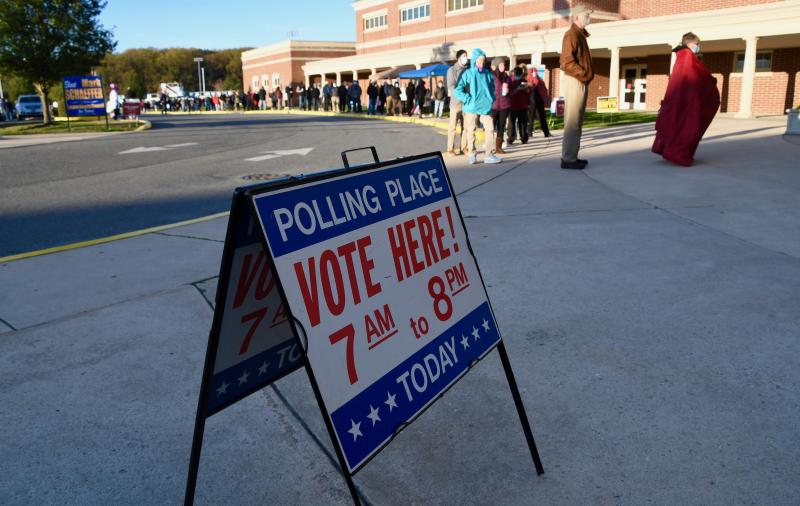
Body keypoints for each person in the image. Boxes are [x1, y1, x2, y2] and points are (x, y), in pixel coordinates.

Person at [652, 32, 720, 167]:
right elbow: (695, 76)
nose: (698, 47)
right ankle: (678, 153)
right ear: (690, 43)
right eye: (697, 44)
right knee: (688, 125)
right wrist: (710, 81)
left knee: (675, 122)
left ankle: (667, 149)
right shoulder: (687, 56)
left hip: (680, 97)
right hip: (688, 98)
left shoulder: (681, 56)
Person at [559, 5, 594, 169]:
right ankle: (568, 159)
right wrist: (584, 74)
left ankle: (572, 156)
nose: (589, 17)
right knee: (572, 120)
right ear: (577, 17)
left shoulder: (579, 35)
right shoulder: (571, 35)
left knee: (577, 120)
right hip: (575, 80)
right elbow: (566, 62)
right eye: (587, 15)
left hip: (579, 80)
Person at [454, 48, 501, 165]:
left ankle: (489, 155)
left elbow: (492, 88)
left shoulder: (488, 74)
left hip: (485, 106)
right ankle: (472, 153)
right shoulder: (467, 73)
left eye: (483, 61)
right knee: (471, 130)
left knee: (490, 129)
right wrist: (467, 98)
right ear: (474, 60)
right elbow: (457, 90)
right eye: (479, 61)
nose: (481, 63)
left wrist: (492, 98)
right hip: (471, 107)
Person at [446, 49, 470, 156]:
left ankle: (463, 147)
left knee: (465, 127)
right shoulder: (451, 70)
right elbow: (451, 86)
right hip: (455, 104)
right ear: (459, 58)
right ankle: (450, 149)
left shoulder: (468, 69)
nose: (466, 58)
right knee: (452, 127)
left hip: (466, 104)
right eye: (464, 56)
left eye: (466, 56)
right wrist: (462, 95)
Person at [490, 57, 512, 154]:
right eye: (501, 64)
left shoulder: (506, 77)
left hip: (504, 106)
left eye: (504, 64)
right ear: (497, 66)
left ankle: (498, 147)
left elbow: (512, 89)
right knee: (491, 127)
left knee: (501, 126)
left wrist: (509, 90)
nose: (503, 66)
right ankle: (489, 147)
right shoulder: (491, 76)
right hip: (493, 106)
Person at [507, 67, 531, 144]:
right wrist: (517, 89)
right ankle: (511, 138)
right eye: (516, 74)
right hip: (512, 105)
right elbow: (508, 92)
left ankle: (523, 138)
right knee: (512, 123)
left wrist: (526, 89)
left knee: (522, 123)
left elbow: (528, 93)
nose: (517, 76)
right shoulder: (510, 81)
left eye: (518, 74)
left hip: (522, 105)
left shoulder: (524, 81)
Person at [527, 67, 552, 138]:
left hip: (540, 100)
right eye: (533, 72)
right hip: (531, 101)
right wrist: (534, 78)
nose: (535, 73)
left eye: (535, 71)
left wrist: (546, 100)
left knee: (542, 117)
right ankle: (529, 133)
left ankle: (546, 133)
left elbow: (544, 89)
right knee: (530, 118)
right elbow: (534, 84)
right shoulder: (530, 79)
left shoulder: (540, 79)